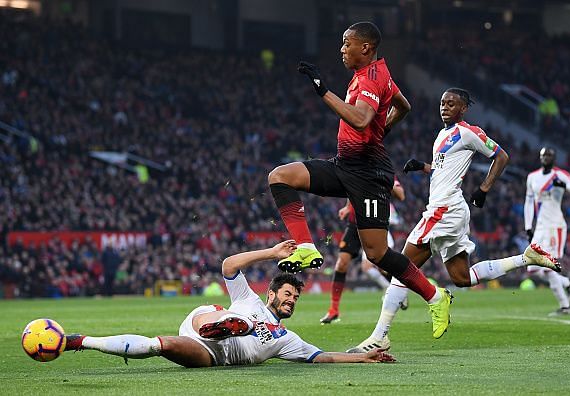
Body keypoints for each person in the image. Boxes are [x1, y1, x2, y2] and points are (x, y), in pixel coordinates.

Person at [267, 21, 453, 339]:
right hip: (345, 166)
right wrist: (383, 130)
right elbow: (402, 106)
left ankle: (436, 297)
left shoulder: (371, 76)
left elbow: (361, 117)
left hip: (369, 175)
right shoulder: (375, 73)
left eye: (346, 43)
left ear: (364, 47)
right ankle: (307, 247)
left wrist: (322, 89)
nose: (342, 49)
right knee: (280, 177)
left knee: (377, 254)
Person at [348, 88, 561, 352]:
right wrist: (424, 167)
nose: (445, 107)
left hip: (444, 210)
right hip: (450, 211)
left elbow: (501, 155)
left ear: (463, 108)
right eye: (442, 102)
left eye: (452, 103)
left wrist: (484, 188)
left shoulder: (468, 131)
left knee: (400, 267)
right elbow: (445, 170)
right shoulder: (443, 135)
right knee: (462, 278)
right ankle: (526, 258)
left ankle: (380, 336)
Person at [63, 241, 394, 367]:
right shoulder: (248, 297)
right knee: (235, 320)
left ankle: (82, 341)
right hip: (205, 322)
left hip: (210, 354)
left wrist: (363, 358)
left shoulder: (287, 340)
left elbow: (320, 356)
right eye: (287, 295)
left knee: (157, 346)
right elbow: (229, 266)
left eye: (295, 298)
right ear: (272, 295)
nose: (291, 300)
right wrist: (270, 253)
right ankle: (227, 325)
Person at [320, 177, 406, 324]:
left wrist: (383, 179)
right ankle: (334, 310)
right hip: (354, 224)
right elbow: (351, 188)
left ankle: (398, 292)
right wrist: (348, 207)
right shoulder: (354, 167)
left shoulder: (382, 169)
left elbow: (401, 195)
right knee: (341, 264)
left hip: (373, 223)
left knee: (381, 266)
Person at [524, 147, 570, 316]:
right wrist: (528, 226)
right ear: (540, 157)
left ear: (554, 158)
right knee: (532, 268)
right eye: (544, 155)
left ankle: (565, 306)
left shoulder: (560, 175)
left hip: (555, 226)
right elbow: (529, 202)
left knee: (548, 268)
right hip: (540, 228)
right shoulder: (532, 177)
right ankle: (568, 283)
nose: (546, 158)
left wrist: (565, 185)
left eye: (549, 155)